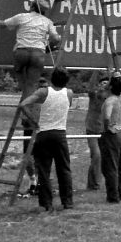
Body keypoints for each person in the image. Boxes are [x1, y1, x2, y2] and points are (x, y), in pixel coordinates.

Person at [19, 67, 74, 212]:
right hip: (60, 134)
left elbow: (23, 104)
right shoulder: (69, 93)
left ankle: (46, 204)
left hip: (43, 134)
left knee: (43, 170)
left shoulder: (43, 92)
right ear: (66, 81)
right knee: (64, 169)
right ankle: (67, 202)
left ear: (51, 78)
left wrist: (33, 122)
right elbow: (69, 105)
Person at [0, 0, 60, 100]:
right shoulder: (47, 22)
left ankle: (24, 93)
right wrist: (47, 48)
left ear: (32, 7)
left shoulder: (22, 16)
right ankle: (27, 102)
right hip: (38, 54)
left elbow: (1, 24)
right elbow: (57, 39)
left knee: (19, 73)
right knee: (32, 85)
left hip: (21, 52)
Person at [99, 73, 121, 203]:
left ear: (110, 87)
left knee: (110, 167)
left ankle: (113, 197)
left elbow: (106, 117)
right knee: (120, 166)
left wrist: (106, 127)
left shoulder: (110, 101)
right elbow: (116, 84)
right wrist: (115, 76)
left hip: (112, 134)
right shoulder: (119, 97)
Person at [84, 71, 110, 191]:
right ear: (99, 85)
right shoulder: (93, 95)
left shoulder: (109, 97)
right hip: (92, 130)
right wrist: (95, 70)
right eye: (103, 83)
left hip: (103, 131)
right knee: (97, 155)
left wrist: (111, 73)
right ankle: (97, 184)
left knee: (99, 158)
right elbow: (90, 87)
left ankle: (92, 184)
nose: (105, 84)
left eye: (107, 83)